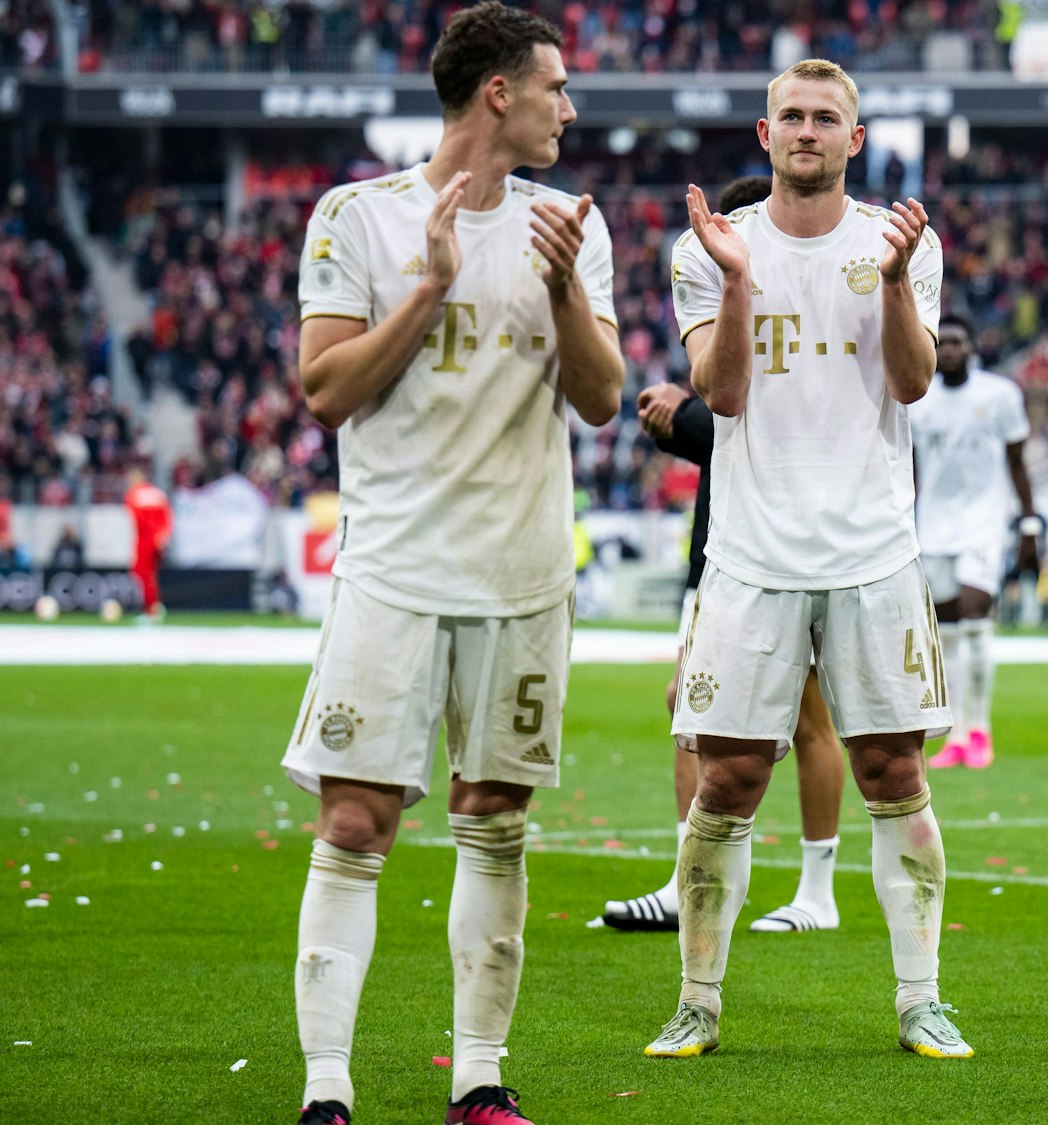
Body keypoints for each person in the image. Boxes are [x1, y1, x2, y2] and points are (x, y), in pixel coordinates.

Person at [280, 5, 623, 1123]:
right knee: (353, 825)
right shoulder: (359, 218)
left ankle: (478, 1079)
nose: (569, 108)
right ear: (497, 94)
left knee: (495, 820)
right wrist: (428, 287)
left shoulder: (572, 225)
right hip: (394, 572)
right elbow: (324, 390)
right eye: (555, 88)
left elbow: (603, 398)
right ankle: (326, 1091)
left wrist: (567, 288)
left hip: (521, 575)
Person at [644, 58, 966, 1062]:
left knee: (892, 766)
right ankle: (697, 1000)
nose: (808, 131)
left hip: (873, 551)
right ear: (764, 131)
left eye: (827, 118)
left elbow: (911, 384)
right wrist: (739, 280)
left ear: (854, 140)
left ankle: (920, 1000)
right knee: (728, 778)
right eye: (792, 115)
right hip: (749, 554)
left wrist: (906, 279)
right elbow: (723, 393)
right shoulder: (709, 249)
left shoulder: (896, 244)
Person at [600, 173, 850, 935]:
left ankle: (817, 889)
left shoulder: (815, 312)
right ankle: (691, 881)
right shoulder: (730, 309)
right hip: (722, 548)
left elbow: (780, 435)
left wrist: (684, 420)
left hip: (792, 549)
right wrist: (685, 412)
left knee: (808, 721)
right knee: (690, 711)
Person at [910, 314, 1038, 770]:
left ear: (971, 347)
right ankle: (958, 735)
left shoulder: (999, 395)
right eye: (941, 343)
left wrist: (1028, 525)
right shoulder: (917, 400)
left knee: (975, 616)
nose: (948, 350)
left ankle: (980, 729)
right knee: (945, 636)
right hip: (933, 527)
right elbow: (911, 470)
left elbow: (1018, 462)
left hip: (984, 524)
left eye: (956, 342)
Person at [124, 467, 172, 620]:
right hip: (157, 539)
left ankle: (151, 609)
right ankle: (153, 607)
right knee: (150, 575)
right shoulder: (158, 494)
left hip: (145, 539)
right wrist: (163, 535)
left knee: (142, 574)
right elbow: (167, 517)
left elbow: (136, 520)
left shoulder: (133, 494)